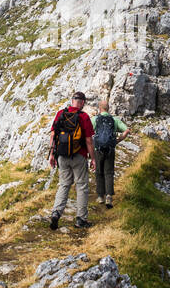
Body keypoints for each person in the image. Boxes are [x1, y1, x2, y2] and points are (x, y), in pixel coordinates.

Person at [49, 91, 95, 229]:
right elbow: (89, 140)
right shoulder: (84, 117)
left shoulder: (60, 114)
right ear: (82, 103)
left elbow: (53, 135)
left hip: (62, 155)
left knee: (64, 184)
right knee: (81, 186)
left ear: (72, 100)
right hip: (79, 156)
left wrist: (52, 154)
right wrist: (93, 158)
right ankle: (81, 219)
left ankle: (56, 213)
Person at [91, 98, 129, 208]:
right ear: (108, 108)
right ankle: (108, 196)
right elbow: (126, 130)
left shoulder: (95, 119)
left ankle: (100, 196)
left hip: (98, 149)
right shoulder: (114, 120)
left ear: (99, 108)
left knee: (99, 172)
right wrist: (117, 141)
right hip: (110, 149)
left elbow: (88, 132)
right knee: (109, 172)